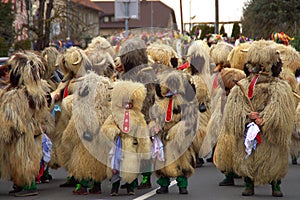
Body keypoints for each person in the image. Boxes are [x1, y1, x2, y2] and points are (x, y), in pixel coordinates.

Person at [223, 40, 295, 197]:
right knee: (248, 155)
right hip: (249, 129)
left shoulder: (279, 87)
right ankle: (249, 183)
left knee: (273, 158)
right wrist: (247, 115)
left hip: (270, 132)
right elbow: (234, 108)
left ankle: (275, 184)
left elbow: (280, 107)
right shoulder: (241, 86)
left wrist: (266, 118)